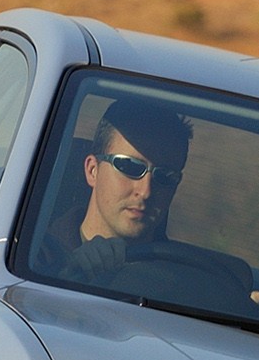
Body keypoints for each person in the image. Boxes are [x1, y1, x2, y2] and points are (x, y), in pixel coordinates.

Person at [39, 99, 192, 282]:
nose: (145, 191)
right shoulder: (31, 259)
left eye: (165, 176)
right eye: (129, 166)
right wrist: (64, 277)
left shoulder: (184, 286)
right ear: (92, 170)